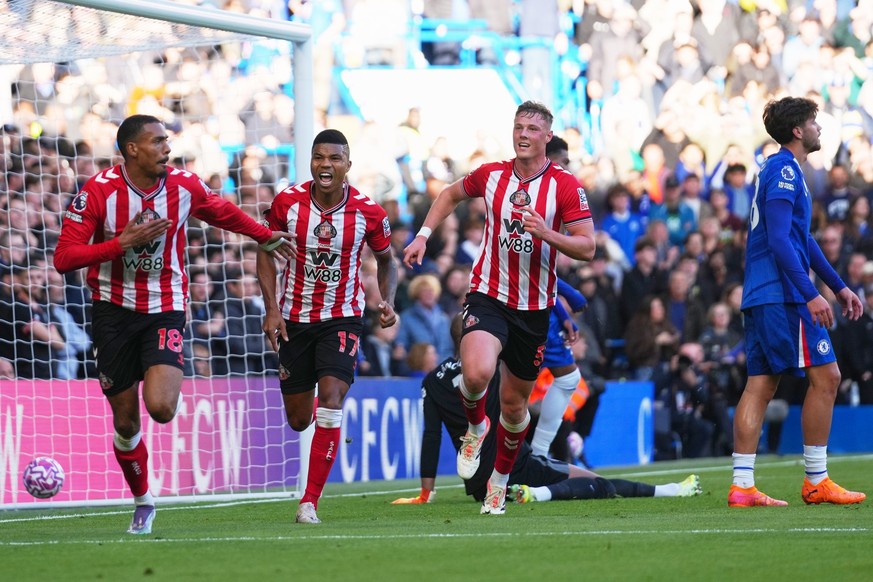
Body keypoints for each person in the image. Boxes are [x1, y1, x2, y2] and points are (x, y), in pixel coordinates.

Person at [53, 114, 293, 535]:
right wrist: (119, 245)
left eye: (167, 140)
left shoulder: (183, 185)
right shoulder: (99, 192)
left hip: (165, 306)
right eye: (158, 141)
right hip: (111, 311)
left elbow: (221, 211)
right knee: (126, 422)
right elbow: (63, 258)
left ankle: (162, 375)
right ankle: (143, 501)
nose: (168, 148)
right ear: (132, 149)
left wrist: (262, 235)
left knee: (161, 409)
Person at [403, 101, 596, 515]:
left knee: (514, 407)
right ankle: (475, 427)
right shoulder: (492, 175)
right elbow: (450, 193)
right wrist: (422, 235)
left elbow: (587, 245)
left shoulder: (565, 186)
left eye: (532, 128)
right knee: (475, 374)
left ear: (547, 137)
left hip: (534, 309)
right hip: (488, 295)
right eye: (518, 127)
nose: (523, 134)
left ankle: (500, 482)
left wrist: (547, 232)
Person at [391, 315, 702, 506]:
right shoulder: (498, 365)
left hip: (477, 484)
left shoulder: (433, 380)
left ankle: (527, 491)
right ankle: (670, 490)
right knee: (599, 484)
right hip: (514, 464)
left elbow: (431, 435)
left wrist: (425, 492)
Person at [729, 97, 866, 508]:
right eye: (813, 121)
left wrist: (838, 287)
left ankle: (743, 485)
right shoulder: (785, 169)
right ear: (797, 130)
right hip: (781, 294)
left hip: (765, 291)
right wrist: (810, 294)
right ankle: (815, 479)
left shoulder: (783, 170)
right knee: (826, 377)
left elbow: (801, 239)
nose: (819, 128)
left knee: (763, 383)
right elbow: (779, 239)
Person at [257, 129, 398, 525]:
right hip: (295, 319)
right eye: (319, 157)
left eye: (335, 158)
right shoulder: (286, 203)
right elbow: (264, 252)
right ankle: (318, 458)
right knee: (299, 418)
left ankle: (309, 503)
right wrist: (271, 309)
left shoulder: (370, 212)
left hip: (343, 318)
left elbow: (388, 261)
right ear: (311, 162)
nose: (326, 165)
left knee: (331, 400)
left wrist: (386, 301)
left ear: (347, 166)